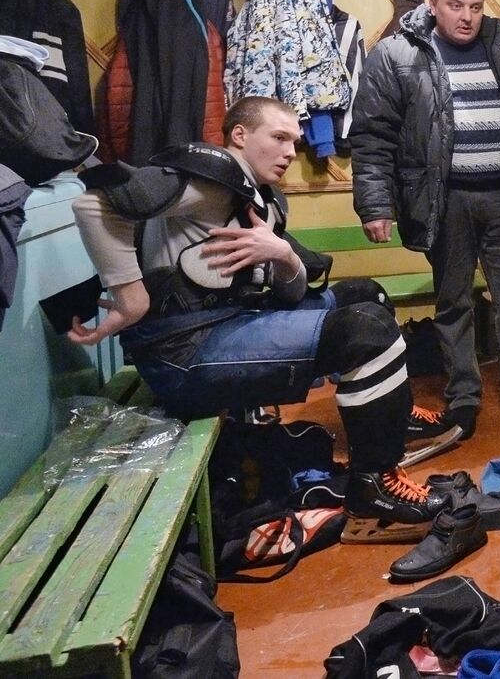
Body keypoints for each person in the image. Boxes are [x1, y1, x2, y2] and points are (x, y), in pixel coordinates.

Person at [67, 96, 458, 543]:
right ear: (239, 135)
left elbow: (292, 292)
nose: (291, 152)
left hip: (230, 323)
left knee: (365, 295)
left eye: (294, 140)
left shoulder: (260, 199)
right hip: (183, 353)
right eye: (278, 138)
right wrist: (130, 295)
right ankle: (373, 487)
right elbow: (95, 207)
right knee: (364, 331)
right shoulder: (209, 182)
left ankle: (391, 414)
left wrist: (281, 252)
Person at [351, 0, 500, 439]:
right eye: (455, 5)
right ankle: (464, 397)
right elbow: (372, 136)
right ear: (432, 4)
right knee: (454, 304)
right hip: (444, 202)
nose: (466, 16)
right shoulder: (394, 55)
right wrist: (375, 203)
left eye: (474, 6)